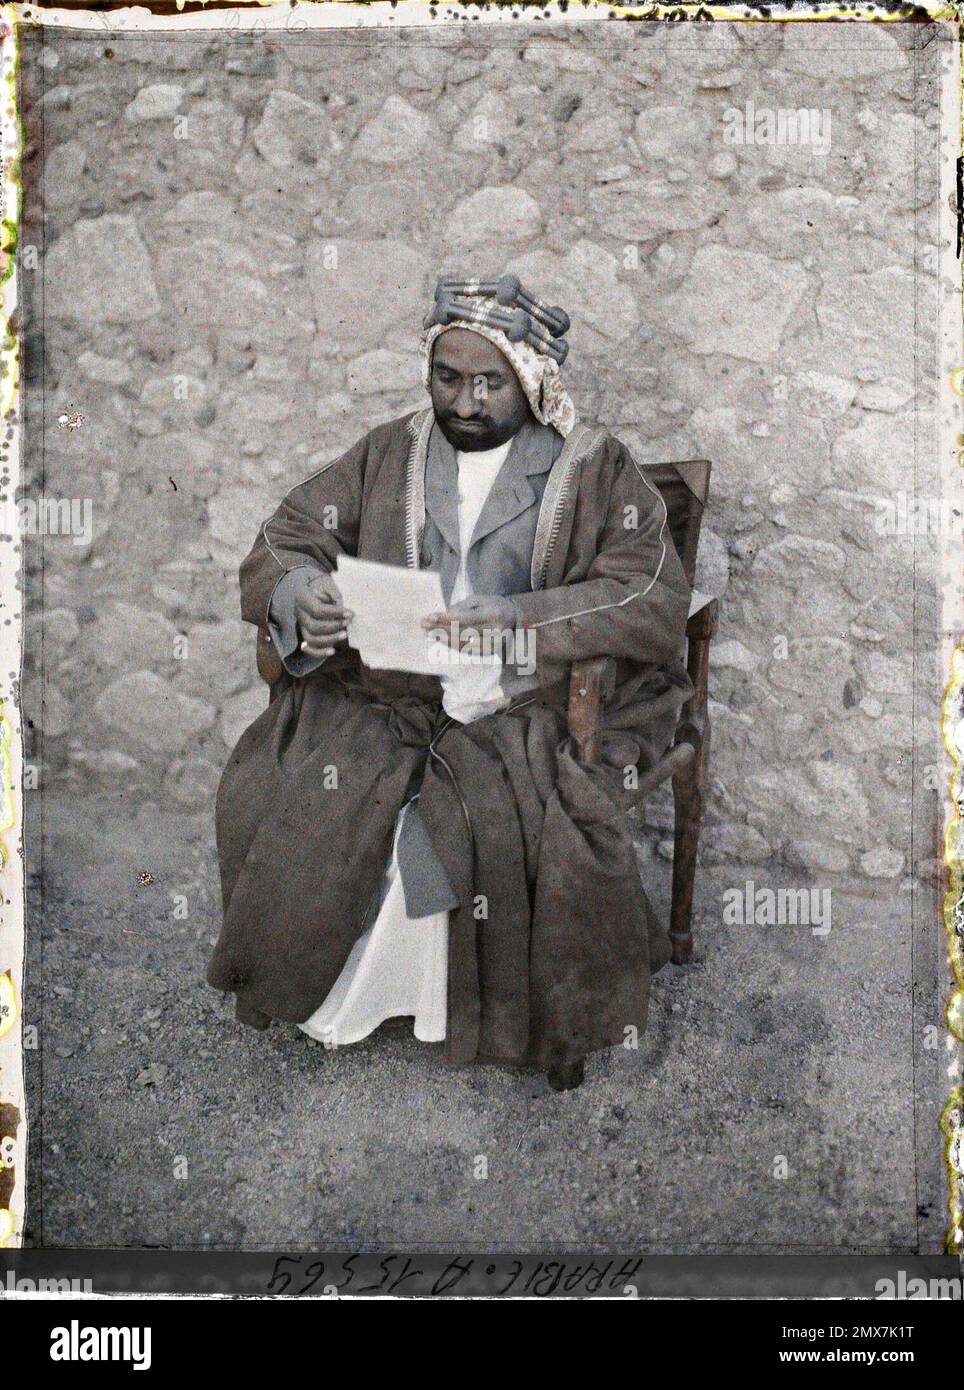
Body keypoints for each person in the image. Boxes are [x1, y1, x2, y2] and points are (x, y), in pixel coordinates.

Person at [207, 273, 694, 1090]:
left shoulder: (594, 469)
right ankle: (340, 997)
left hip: (528, 701)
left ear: (533, 380)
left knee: (465, 819)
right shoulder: (388, 452)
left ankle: (453, 1005)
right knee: (297, 790)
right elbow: (285, 535)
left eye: (489, 383)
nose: (465, 402)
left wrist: (522, 617)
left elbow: (649, 591)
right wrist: (300, 594)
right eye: (448, 378)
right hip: (393, 690)